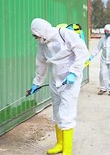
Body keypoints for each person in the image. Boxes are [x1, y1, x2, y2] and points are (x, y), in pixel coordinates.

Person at [29, 18, 88, 155]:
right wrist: (36, 83)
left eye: (36, 35)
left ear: (43, 30)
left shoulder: (64, 34)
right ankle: (60, 144)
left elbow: (82, 52)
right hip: (55, 80)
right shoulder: (42, 44)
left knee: (66, 114)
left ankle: (67, 151)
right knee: (56, 112)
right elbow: (41, 64)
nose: (36, 38)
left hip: (70, 81)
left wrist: (73, 72)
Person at [88, 24, 110, 96]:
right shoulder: (102, 38)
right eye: (105, 31)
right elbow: (98, 48)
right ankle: (103, 88)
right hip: (104, 59)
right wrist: (92, 55)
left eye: (107, 31)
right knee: (102, 73)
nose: (106, 32)